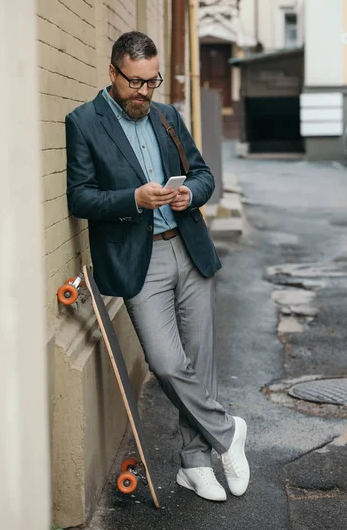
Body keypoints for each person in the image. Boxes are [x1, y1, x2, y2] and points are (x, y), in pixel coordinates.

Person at [65, 31, 250, 502]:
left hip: (188, 248)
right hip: (138, 259)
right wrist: (134, 198)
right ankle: (228, 431)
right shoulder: (84, 122)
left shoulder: (168, 117)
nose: (144, 92)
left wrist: (191, 193)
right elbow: (80, 196)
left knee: (199, 363)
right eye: (135, 83)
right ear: (113, 73)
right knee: (168, 365)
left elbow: (205, 174)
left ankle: (194, 463)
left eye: (152, 82)